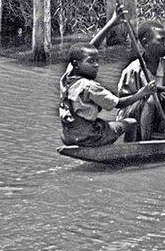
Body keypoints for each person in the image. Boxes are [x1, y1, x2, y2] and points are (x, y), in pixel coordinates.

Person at [58, 8, 157, 147]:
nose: (97, 65)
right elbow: (119, 104)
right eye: (91, 62)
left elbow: (89, 48)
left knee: (103, 123)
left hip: (67, 135)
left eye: (97, 61)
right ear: (76, 64)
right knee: (131, 123)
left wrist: (112, 22)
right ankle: (129, 151)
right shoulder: (90, 87)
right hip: (88, 136)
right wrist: (143, 93)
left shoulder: (67, 77)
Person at [116, 20, 165, 141]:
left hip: (158, 112)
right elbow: (122, 102)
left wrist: (158, 90)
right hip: (134, 115)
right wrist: (146, 94)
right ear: (145, 43)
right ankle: (145, 141)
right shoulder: (133, 69)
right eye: (160, 40)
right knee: (152, 100)